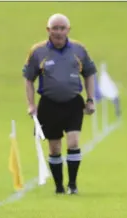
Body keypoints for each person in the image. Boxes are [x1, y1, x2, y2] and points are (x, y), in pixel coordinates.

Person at [23, 13, 96, 195]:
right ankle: (59, 187)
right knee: (54, 147)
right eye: (54, 28)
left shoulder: (79, 50)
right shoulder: (38, 52)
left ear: (68, 30)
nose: (58, 32)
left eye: (62, 28)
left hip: (73, 103)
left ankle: (72, 184)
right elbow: (29, 79)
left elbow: (89, 73)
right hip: (49, 104)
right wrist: (31, 105)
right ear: (48, 30)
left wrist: (90, 99)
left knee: (73, 142)